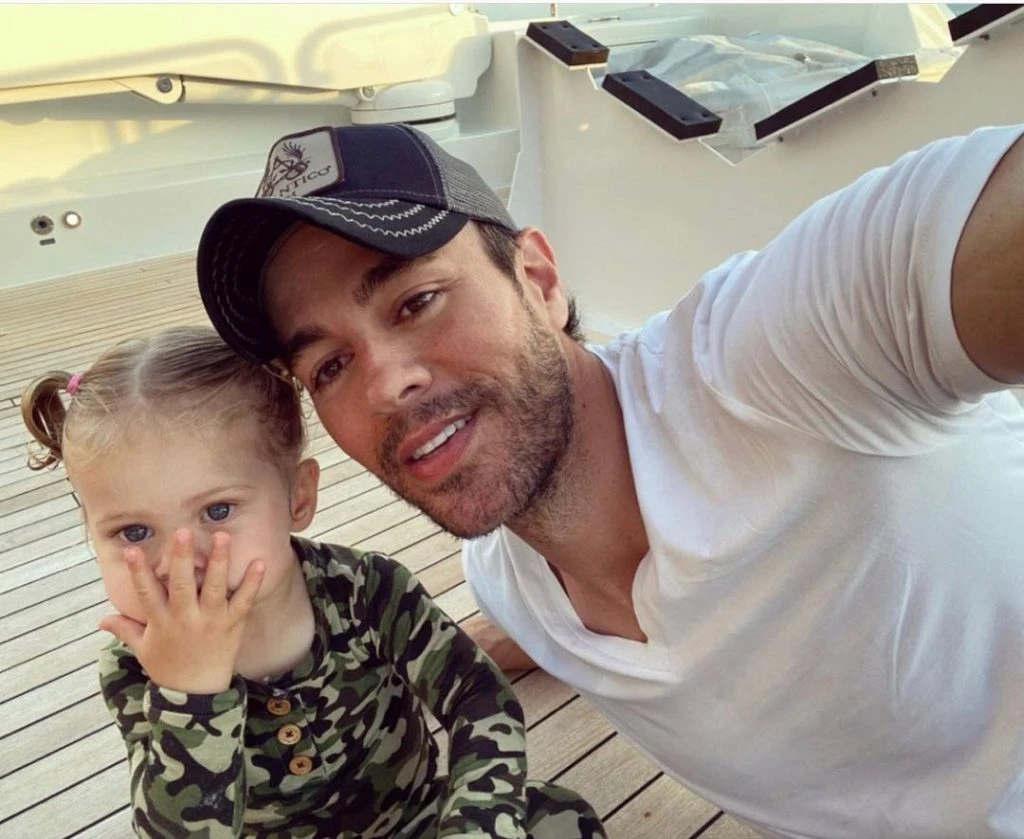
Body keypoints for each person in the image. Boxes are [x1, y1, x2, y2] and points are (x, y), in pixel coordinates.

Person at [195, 122, 1024, 838]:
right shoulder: (511, 584)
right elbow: (528, 633)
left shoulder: (772, 359)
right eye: (330, 365)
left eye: (417, 301)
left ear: (539, 280)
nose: (383, 384)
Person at [19, 325, 605, 839]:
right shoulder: (136, 665)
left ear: (297, 498)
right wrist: (189, 697)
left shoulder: (368, 591)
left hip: (417, 822)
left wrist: (477, 821)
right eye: (132, 531)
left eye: (217, 511)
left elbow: (477, 696)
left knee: (560, 818)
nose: (178, 561)